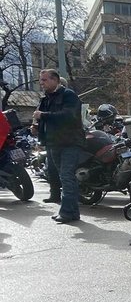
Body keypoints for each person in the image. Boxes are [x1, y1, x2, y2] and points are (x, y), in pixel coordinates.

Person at [33, 69, 83, 223]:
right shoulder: (46, 99)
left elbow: (69, 116)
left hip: (70, 142)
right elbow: (44, 120)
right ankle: (72, 212)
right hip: (53, 143)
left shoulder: (68, 95)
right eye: (41, 80)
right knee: (64, 177)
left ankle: (67, 212)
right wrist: (36, 127)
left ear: (55, 80)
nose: (41, 83)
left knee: (67, 176)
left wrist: (43, 115)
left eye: (45, 80)